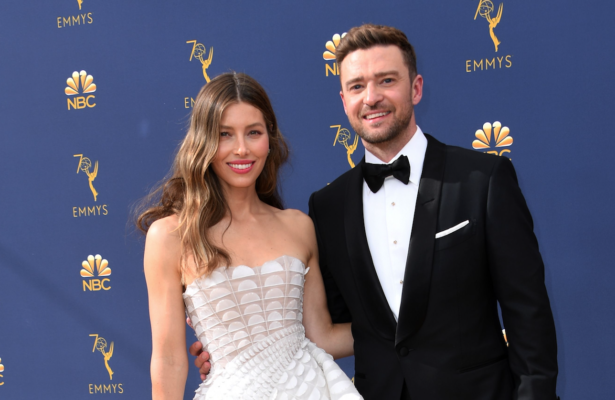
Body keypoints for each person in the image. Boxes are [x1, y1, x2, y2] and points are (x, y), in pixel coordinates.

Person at [192, 24, 559, 400]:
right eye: (357, 86)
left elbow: (528, 314)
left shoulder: (483, 180)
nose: (372, 97)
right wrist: (229, 351)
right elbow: (320, 327)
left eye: (386, 80)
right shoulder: (328, 206)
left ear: (415, 88)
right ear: (343, 100)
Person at [138, 72, 362, 399]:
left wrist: (403, 327)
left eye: (253, 133)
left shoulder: (298, 226)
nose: (241, 149)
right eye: (224, 134)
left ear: (269, 139)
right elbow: (169, 360)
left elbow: (322, 337)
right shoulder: (171, 236)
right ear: (203, 143)